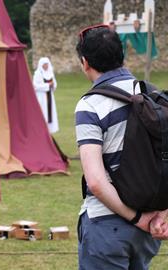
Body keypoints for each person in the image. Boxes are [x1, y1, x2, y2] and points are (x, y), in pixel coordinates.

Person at [75, 25, 168, 269]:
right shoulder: (153, 96)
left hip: (107, 227)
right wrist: (161, 213)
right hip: (147, 231)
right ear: (122, 56)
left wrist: (137, 218)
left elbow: (95, 180)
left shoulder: (90, 105)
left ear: (85, 63)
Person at [33, 57, 58, 134]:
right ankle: (41, 129)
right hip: (41, 97)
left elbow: (55, 84)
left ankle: (49, 130)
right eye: (44, 64)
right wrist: (47, 85)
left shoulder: (50, 73)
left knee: (50, 112)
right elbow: (35, 86)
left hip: (50, 96)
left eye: (47, 64)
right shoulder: (38, 74)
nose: (46, 66)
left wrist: (53, 85)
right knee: (43, 112)